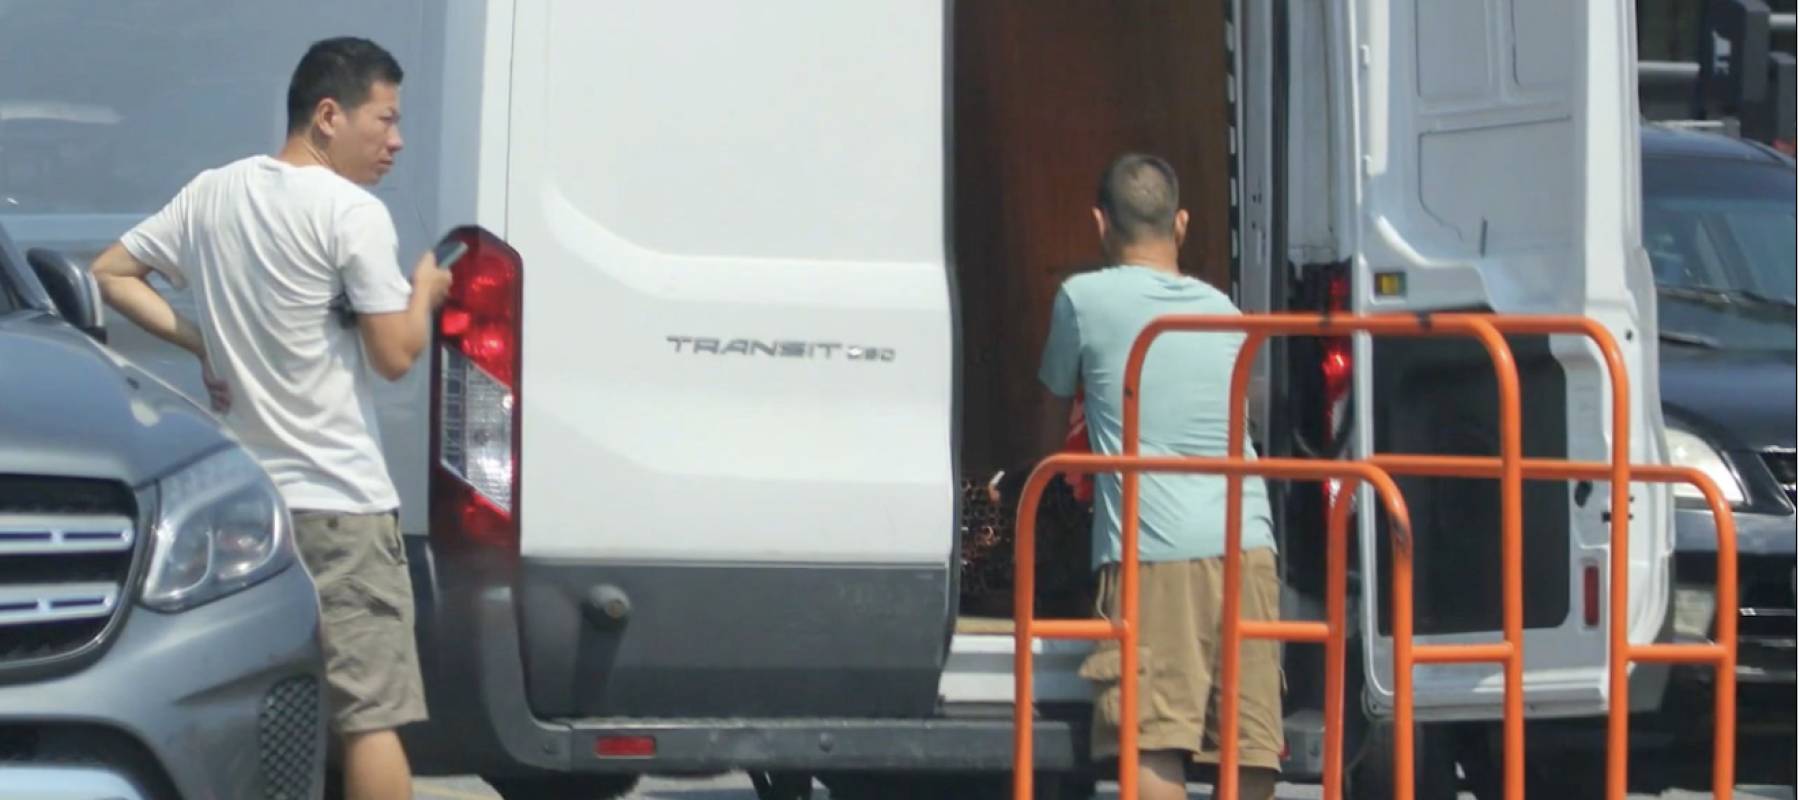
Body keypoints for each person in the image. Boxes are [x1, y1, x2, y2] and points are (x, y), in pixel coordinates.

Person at [91, 36, 450, 800]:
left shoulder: (212, 193)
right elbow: (394, 355)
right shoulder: (353, 213)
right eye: (385, 119)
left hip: (248, 511)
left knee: (267, 714)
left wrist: (203, 342)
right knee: (368, 719)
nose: (397, 140)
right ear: (329, 115)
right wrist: (425, 292)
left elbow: (112, 272)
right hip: (342, 506)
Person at [998, 153, 1283, 800]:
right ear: (1181, 224)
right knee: (1248, 743)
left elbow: (1050, 429)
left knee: (1152, 739)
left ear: (1100, 223)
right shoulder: (1225, 311)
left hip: (1154, 551)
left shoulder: (1082, 299)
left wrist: (1035, 495)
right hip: (1249, 544)